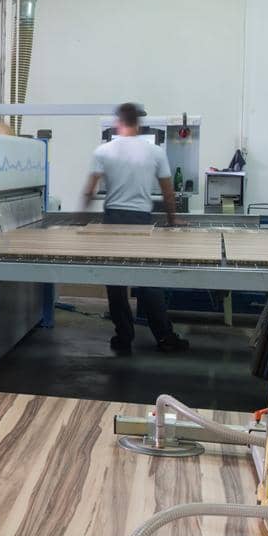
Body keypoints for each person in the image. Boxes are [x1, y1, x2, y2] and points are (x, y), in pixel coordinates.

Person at [81, 102, 190, 354]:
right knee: (148, 280)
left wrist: (81, 222)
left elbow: (89, 190)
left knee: (116, 283)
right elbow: (167, 192)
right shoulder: (154, 152)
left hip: (112, 221)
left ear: (118, 122)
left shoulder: (103, 151)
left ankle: (123, 339)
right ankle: (164, 337)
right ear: (139, 124)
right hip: (141, 221)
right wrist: (173, 221)